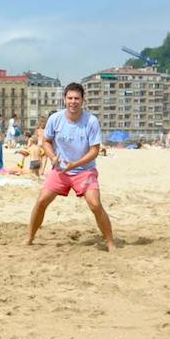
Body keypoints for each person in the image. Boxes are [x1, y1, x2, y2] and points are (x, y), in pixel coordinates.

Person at [26, 83, 115, 251]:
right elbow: (46, 141)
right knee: (41, 200)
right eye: (70, 98)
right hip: (60, 171)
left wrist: (76, 164)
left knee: (95, 204)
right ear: (64, 100)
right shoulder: (55, 119)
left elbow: (95, 150)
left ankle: (110, 242)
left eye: (77, 98)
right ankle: (29, 237)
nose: (73, 102)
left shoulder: (91, 121)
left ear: (83, 101)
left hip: (84, 170)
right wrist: (52, 157)